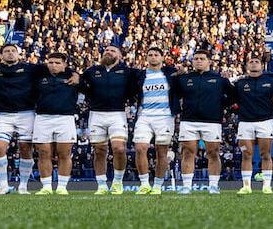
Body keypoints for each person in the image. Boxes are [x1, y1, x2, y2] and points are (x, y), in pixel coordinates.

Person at [172, 50, 238, 195]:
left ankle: (213, 186)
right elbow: (173, 94)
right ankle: (186, 186)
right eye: (196, 59)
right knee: (187, 153)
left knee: (213, 153)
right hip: (188, 121)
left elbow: (234, 95)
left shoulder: (219, 79)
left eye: (202, 58)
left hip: (212, 121)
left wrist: (221, 105)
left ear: (209, 61)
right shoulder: (184, 79)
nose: (198, 61)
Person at [0, 43, 43, 194]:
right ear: (1, 55)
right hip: (3, 115)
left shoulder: (31, 68)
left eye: (13, 51)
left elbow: (53, 68)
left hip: (27, 113)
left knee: (26, 149)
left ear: (19, 54)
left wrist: (74, 73)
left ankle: (23, 186)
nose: (10, 53)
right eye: (7, 51)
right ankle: (4, 185)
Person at [79, 45, 132, 194]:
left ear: (120, 56)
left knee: (119, 149)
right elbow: (81, 84)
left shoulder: (127, 72)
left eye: (112, 51)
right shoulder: (92, 71)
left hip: (118, 114)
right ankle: (101, 185)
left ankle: (117, 182)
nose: (108, 52)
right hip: (96, 114)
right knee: (99, 150)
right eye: (106, 50)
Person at [234, 55, 273, 195]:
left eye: (256, 61)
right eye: (251, 61)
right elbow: (229, 100)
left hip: (265, 122)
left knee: (266, 154)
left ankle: (266, 186)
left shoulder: (271, 81)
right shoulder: (239, 83)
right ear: (246, 66)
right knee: (246, 154)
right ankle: (246, 186)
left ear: (262, 65)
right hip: (245, 123)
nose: (254, 63)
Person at [129, 46, 179, 194]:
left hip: (165, 117)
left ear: (162, 57)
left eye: (156, 54)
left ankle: (157, 186)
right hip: (145, 116)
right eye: (150, 54)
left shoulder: (170, 73)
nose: (153, 57)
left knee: (161, 151)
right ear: (146, 58)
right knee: (139, 148)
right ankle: (144, 184)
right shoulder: (141, 75)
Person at [31, 52, 80, 195]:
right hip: (42, 118)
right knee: (43, 153)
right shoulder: (39, 75)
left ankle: (62, 187)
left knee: (64, 153)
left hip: (65, 118)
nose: (53, 65)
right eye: (50, 62)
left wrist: (76, 74)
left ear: (65, 64)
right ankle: (46, 187)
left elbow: (84, 80)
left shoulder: (73, 77)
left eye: (57, 63)